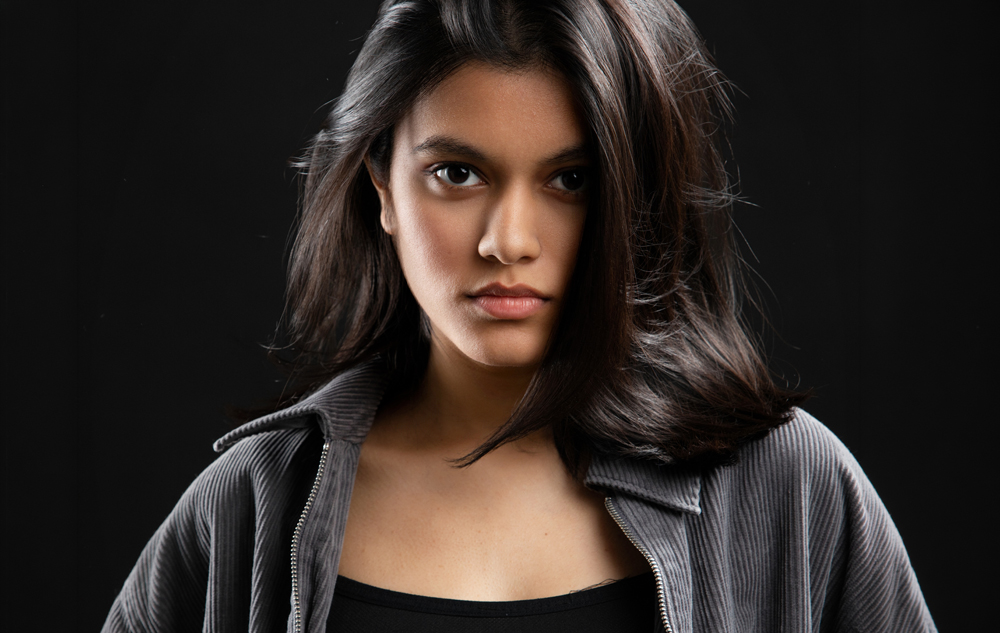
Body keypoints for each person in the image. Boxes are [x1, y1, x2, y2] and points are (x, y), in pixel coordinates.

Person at [103, 0, 936, 631]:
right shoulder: (250, 509)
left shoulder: (792, 490)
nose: (509, 240)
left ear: (636, 198)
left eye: (571, 180)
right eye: (457, 173)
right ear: (382, 187)